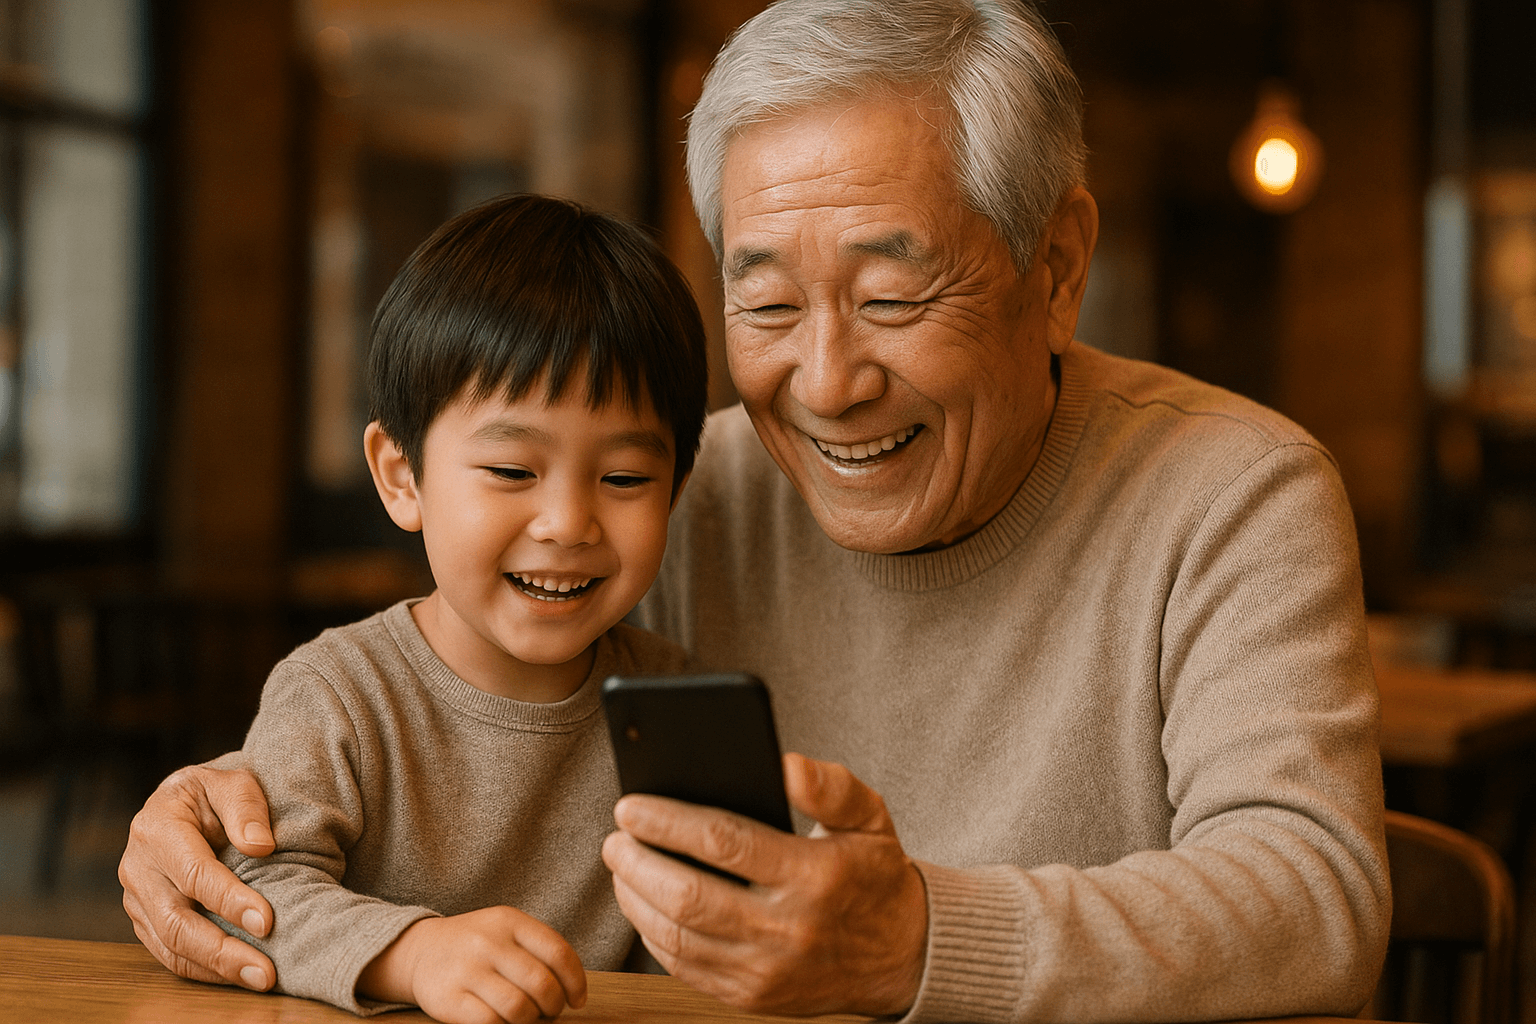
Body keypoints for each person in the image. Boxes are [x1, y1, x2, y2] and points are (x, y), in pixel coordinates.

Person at [119, 2, 1392, 1022]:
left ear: (1055, 269)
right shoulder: (666, 490)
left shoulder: (1236, 491)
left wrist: (916, 942)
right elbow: (460, 707)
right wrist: (227, 815)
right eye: (769, 306)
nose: (826, 384)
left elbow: (1317, 897)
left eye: (892, 299)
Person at [190, 193, 709, 1022]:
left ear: (676, 491)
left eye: (623, 479)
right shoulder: (341, 690)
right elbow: (242, 891)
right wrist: (411, 953)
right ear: (402, 476)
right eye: (511, 471)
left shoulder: (677, 703)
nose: (568, 524)